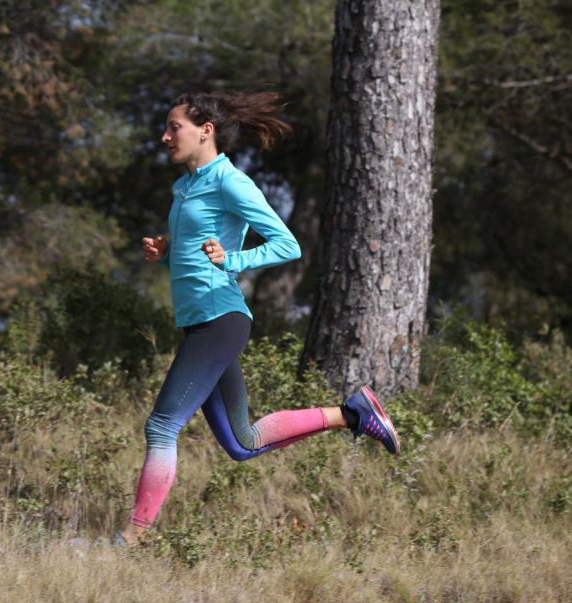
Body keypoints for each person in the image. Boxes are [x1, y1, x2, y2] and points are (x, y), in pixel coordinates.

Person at [118, 91, 399, 547]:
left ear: (205, 130)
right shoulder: (184, 187)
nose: (165, 135)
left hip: (221, 319)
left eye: (174, 127)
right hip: (201, 321)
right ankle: (353, 413)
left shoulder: (231, 181)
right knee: (242, 443)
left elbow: (288, 244)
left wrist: (232, 259)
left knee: (161, 426)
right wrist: (166, 254)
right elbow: (193, 257)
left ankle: (131, 539)